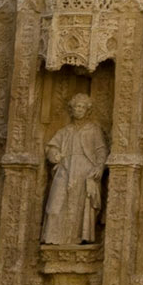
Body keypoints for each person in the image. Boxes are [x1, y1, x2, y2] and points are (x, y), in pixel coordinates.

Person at [41, 91, 109, 246]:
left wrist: (99, 167)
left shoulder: (93, 130)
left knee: (79, 209)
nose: (78, 110)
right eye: (76, 107)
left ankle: (75, 240)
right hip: (65, 169)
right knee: (55, 205)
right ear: (71, 109)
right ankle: (53, 238)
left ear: (87, 110)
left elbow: (101, 150)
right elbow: (51, 147)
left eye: (82, 107)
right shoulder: (66, 131)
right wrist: (55, 155)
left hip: (85, 171)